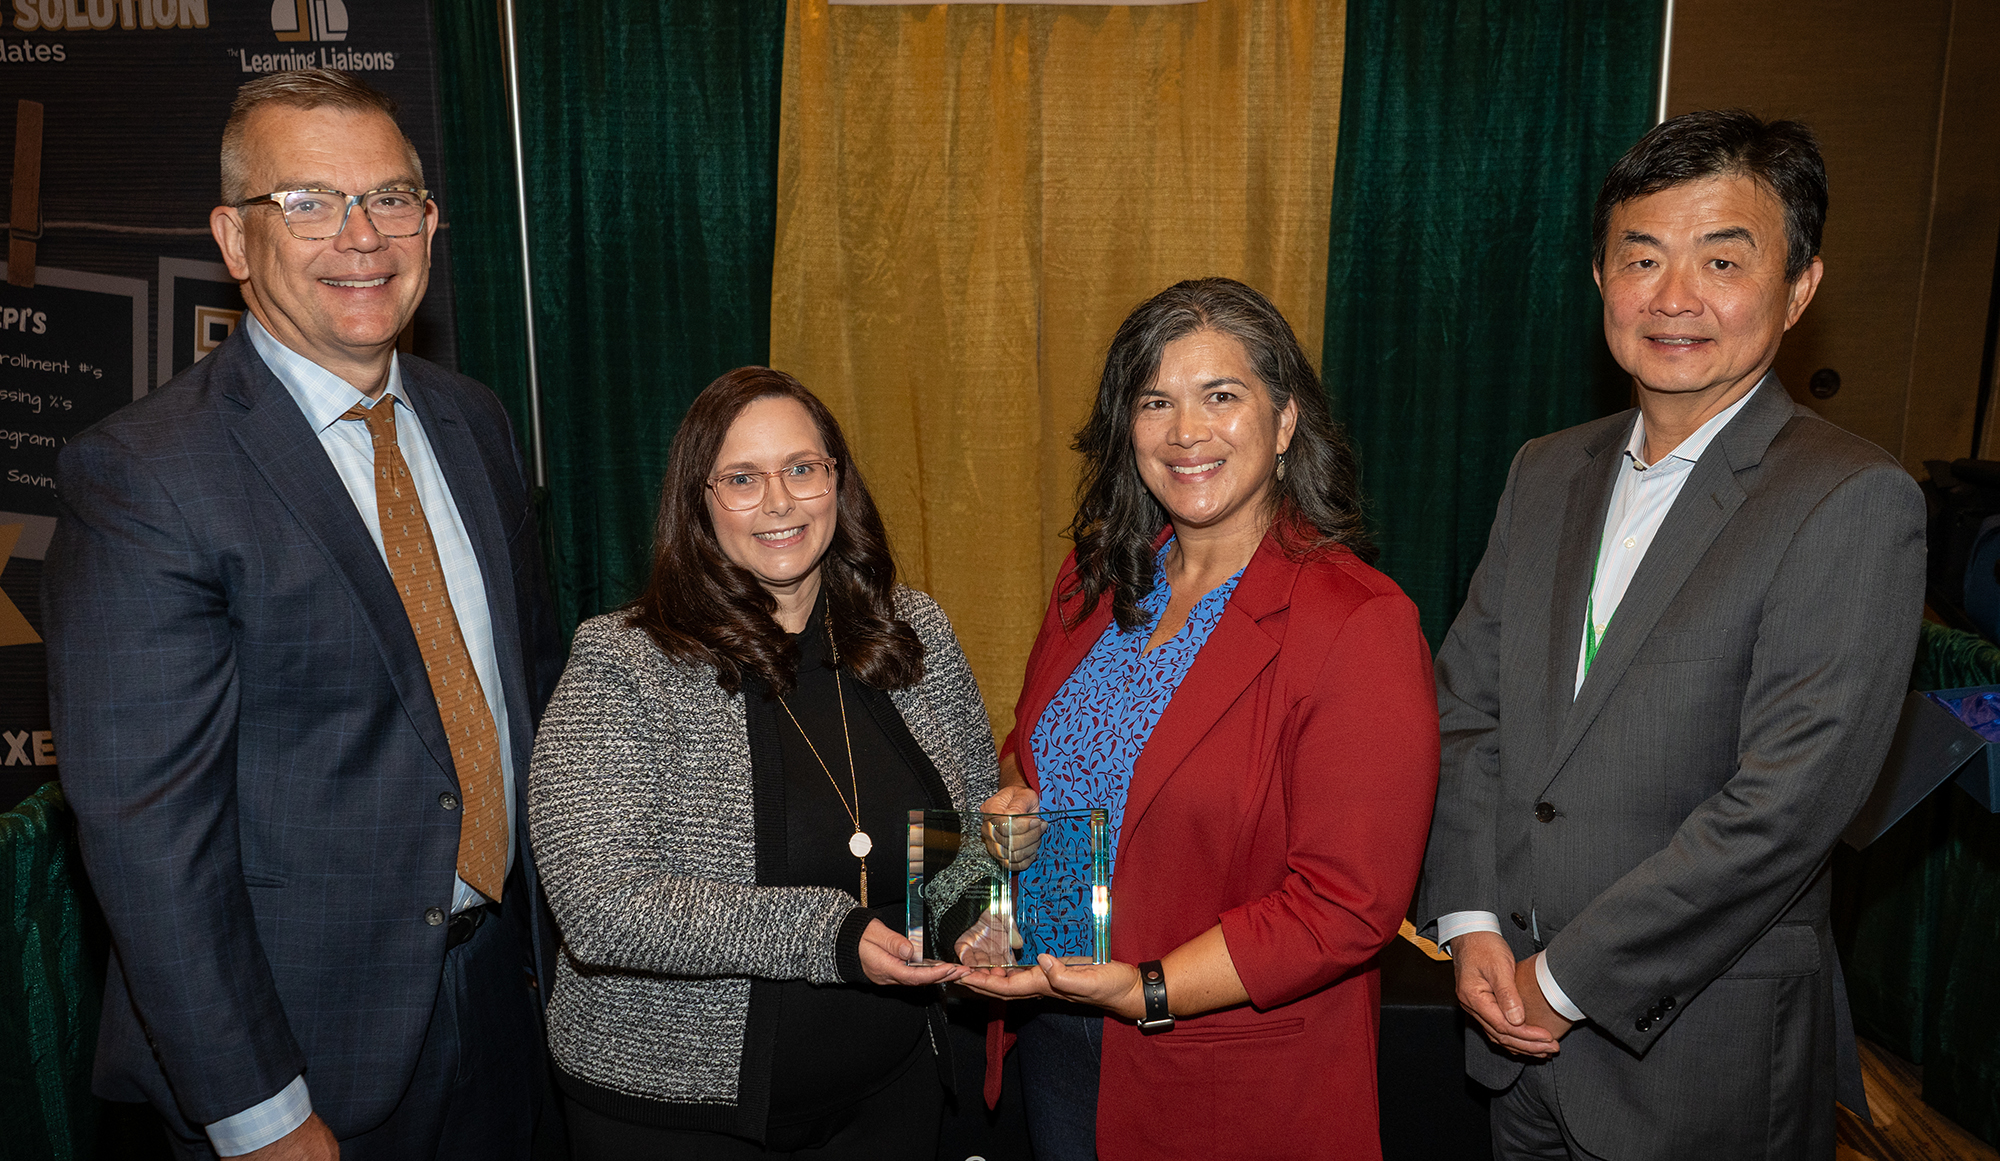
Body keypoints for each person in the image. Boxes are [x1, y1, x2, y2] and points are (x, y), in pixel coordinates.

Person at [43, 69, 563, 1159]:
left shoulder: (474, 423)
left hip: (505, 1003)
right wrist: (262, 1116)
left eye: (390, 198)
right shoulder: (146, 477)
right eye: (310, 202)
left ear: (428, 220)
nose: (361, 237)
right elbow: (149, 843)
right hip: (307, 1058)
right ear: (236, 241)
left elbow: (521, 694)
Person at [1415, 110, 1926, 1158]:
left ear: (1797, 290)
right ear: (1599, 279)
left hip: (1696, 1061)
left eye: (1721, 259)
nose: (1673, 296)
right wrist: (1466, 920)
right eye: (1640, 257)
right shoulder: (1544, 469)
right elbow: (1466, 710)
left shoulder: (1849, 499)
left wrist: (1563, 982)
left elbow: (1783, 806)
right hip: (1506, 1038)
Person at [960, 277, 1441, 1160]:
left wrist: (1145, 988)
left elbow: (1347, 905)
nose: (1186, 432)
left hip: (1226, 1084)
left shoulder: (1355, 621)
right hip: (1057, 1044)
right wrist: (1014, 821)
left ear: (1285, 421)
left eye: (1222, 396)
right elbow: (1039, 765)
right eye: (1156, 402)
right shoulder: (1093, 582)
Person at [527, 367, 998, 1160]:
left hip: (892, 1097)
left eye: (802, 469)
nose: (780, 501)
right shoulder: (624, 662)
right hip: (680, 1116)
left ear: (836, 483)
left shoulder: (912, 632)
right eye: (743, 478)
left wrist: (981, 903)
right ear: (699, 501)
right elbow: (602, 906)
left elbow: (964, 833)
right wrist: (832, 935)